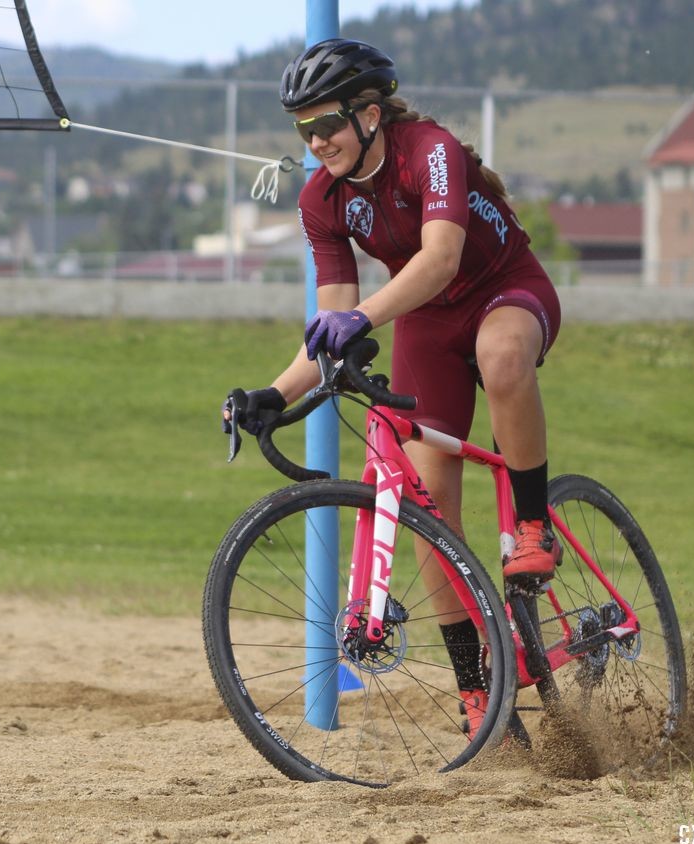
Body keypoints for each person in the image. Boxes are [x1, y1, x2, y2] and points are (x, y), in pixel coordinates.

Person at [222, 38, 563, 740]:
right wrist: (273, 396)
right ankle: (478, 691)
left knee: (502, 359)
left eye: (327, 125)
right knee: (429, 515)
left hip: (502, 289)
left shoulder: (428, 149)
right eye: (302, 130)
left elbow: (439, 260)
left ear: (370, 114)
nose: (316, 142)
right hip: (425, 323)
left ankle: (534, 521)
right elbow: (328, 327)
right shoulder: (322, 198)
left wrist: (365, 315)